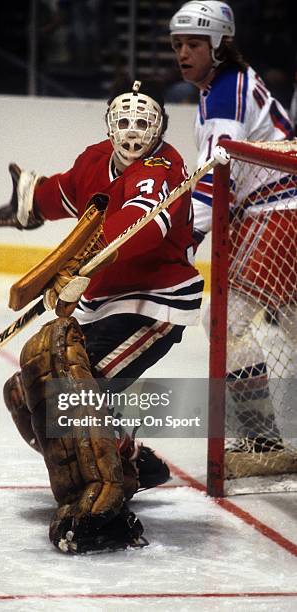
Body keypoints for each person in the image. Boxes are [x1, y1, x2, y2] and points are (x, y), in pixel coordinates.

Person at [0, 78, 204, 551]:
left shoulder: (162, 167)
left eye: (143, 122)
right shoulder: (93, 159)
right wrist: (30, 201)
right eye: (123, 121)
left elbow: (139, 227)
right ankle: (126, 458)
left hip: (155, 302)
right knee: (27, 392)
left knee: (73, 392)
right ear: (109, 125)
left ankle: (101, 504)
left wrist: (83, 264)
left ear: (161, 126)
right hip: (102, 302)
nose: (132, 131)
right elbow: (66, 192)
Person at [169, 1, 297, 477]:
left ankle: (263, 441)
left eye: (194, 44)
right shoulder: (219, 87)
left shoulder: (224, 93)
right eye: (178, 44)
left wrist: (181, 240)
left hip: (279, 213)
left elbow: (212, 179)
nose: (183, 52)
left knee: (225, 319)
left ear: (220, 45)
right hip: (277, 212)